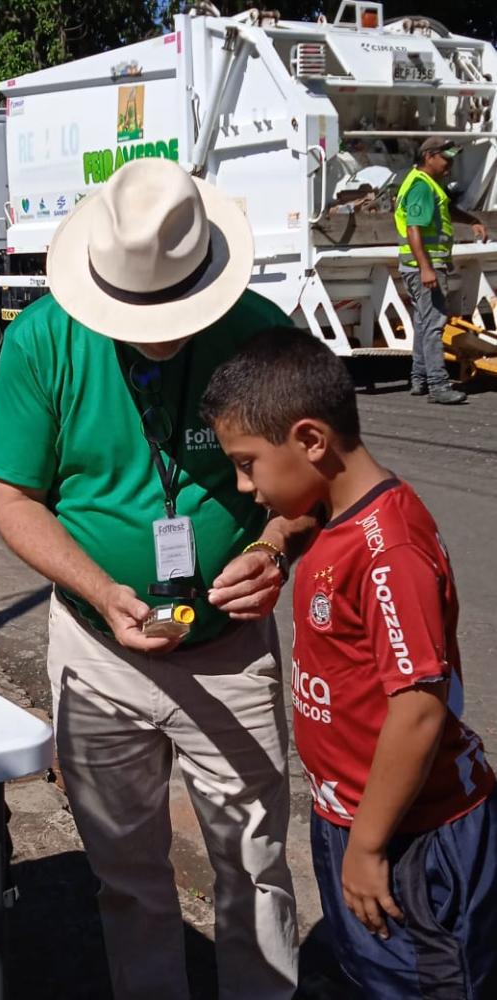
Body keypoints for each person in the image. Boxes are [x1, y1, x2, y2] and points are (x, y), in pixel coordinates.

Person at [0, 159, 316, 999]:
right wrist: (101, 590)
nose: (160, 331)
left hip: (230, 651)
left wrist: (274, 548)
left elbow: (316, 481)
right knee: (128, 881)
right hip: (98, 654)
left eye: (176, 311)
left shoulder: (258, 332)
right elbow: (15, 498)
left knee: (257, 871)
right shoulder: (42, 340)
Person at [202, 325, 497, 999]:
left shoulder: (388, 549)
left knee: (422, 984)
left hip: (410, 841)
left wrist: (367, 849)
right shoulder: (333, 516)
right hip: (354, 819)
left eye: (248, 463)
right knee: (372, 978)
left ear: (310, 440)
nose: (245, 487)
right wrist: (275, 545)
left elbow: (419, 710)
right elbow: (308, 523)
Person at [395, 136, 488, 404]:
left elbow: (445, 209)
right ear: (429, 156)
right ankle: (438, 385)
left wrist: (471, 220)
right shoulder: (422, 187)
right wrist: (426, 268)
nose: (450, 164)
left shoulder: (428, 184)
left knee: (424, 322)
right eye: (446, 158)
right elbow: (414, 227)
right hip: (424, 265)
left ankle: (420, 379)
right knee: (434, 323)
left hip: (420, 265)